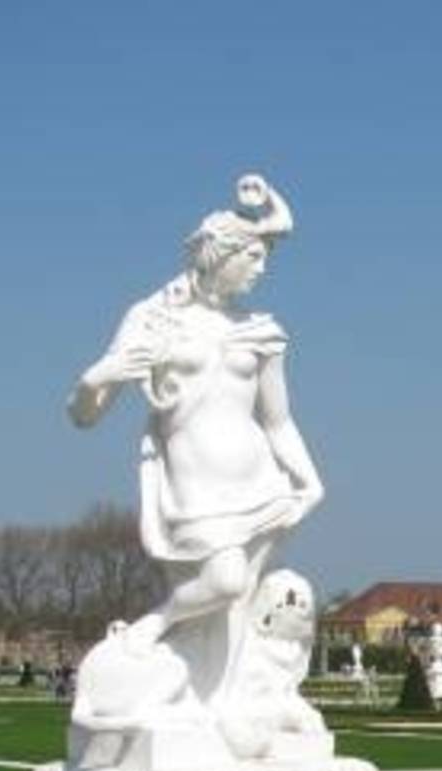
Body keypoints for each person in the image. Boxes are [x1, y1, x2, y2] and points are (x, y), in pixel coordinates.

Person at [68, 176, 321, 672]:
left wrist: (309, 480)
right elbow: (84, 416)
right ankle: (157, 622)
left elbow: (278, 421)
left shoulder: (261, 331)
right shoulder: (155, 320)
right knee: (224, 583)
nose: (262, 269)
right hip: (195, 489)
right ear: (221, 255)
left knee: (236, 611)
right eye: (254, 257)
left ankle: (223, 706)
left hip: (262, 485)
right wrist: (94, 378)